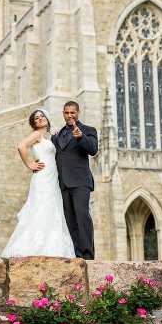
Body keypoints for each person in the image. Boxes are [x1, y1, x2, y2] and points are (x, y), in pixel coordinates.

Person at [1, 109, 75, 258]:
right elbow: (21, 146)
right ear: (34, 123)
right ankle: (36, 246)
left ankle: (51, 246)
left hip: (52, 178)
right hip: (42, 178)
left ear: (47, 118)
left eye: (42, 116)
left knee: (52, 208)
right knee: (41, 206)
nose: (40, 118)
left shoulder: (47, 137)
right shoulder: (36, 134)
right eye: (36, 118)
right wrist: (30, 164)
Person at [51, 101, 98, 260]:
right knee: (70, 219)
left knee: (82, 216)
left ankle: (88, 255)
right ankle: (77, 253)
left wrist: (81, 138)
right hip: (63, 184)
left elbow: (93, 149)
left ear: (78, 113)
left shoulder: (88, 130)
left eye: (73, 112)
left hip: (80, 182)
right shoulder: (57, 135)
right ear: (63, 113)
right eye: (66, 112)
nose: (70, 115)